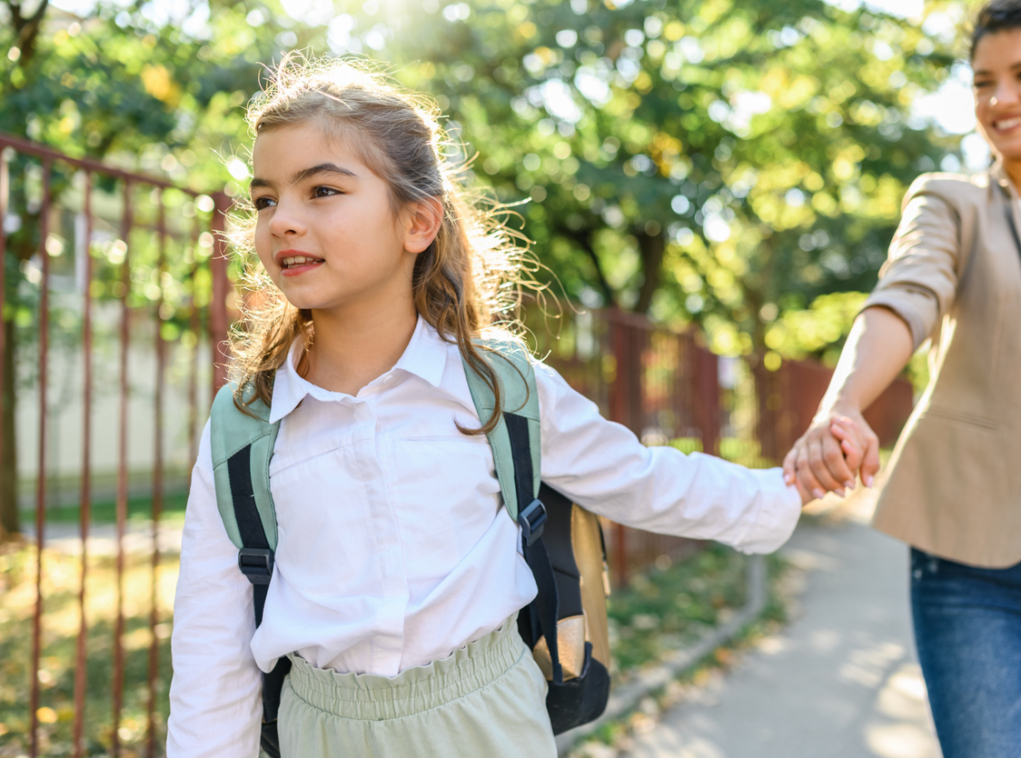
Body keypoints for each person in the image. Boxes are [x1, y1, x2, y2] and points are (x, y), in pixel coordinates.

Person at [165, 56, 849, 758]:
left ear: (417, 222)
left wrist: (784, 490)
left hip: (490, 723)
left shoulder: (497, 387)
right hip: (321, 734)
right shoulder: (244, 427)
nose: (282, 221)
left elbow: (640, 479)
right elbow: (210, 654)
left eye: (322, 191)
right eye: (265, 200)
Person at [784, 1, 1021, 756]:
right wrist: (842, 405)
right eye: (982, 82)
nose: (999, 99)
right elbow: (904, 298)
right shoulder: (954, 204)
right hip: (974, 543)